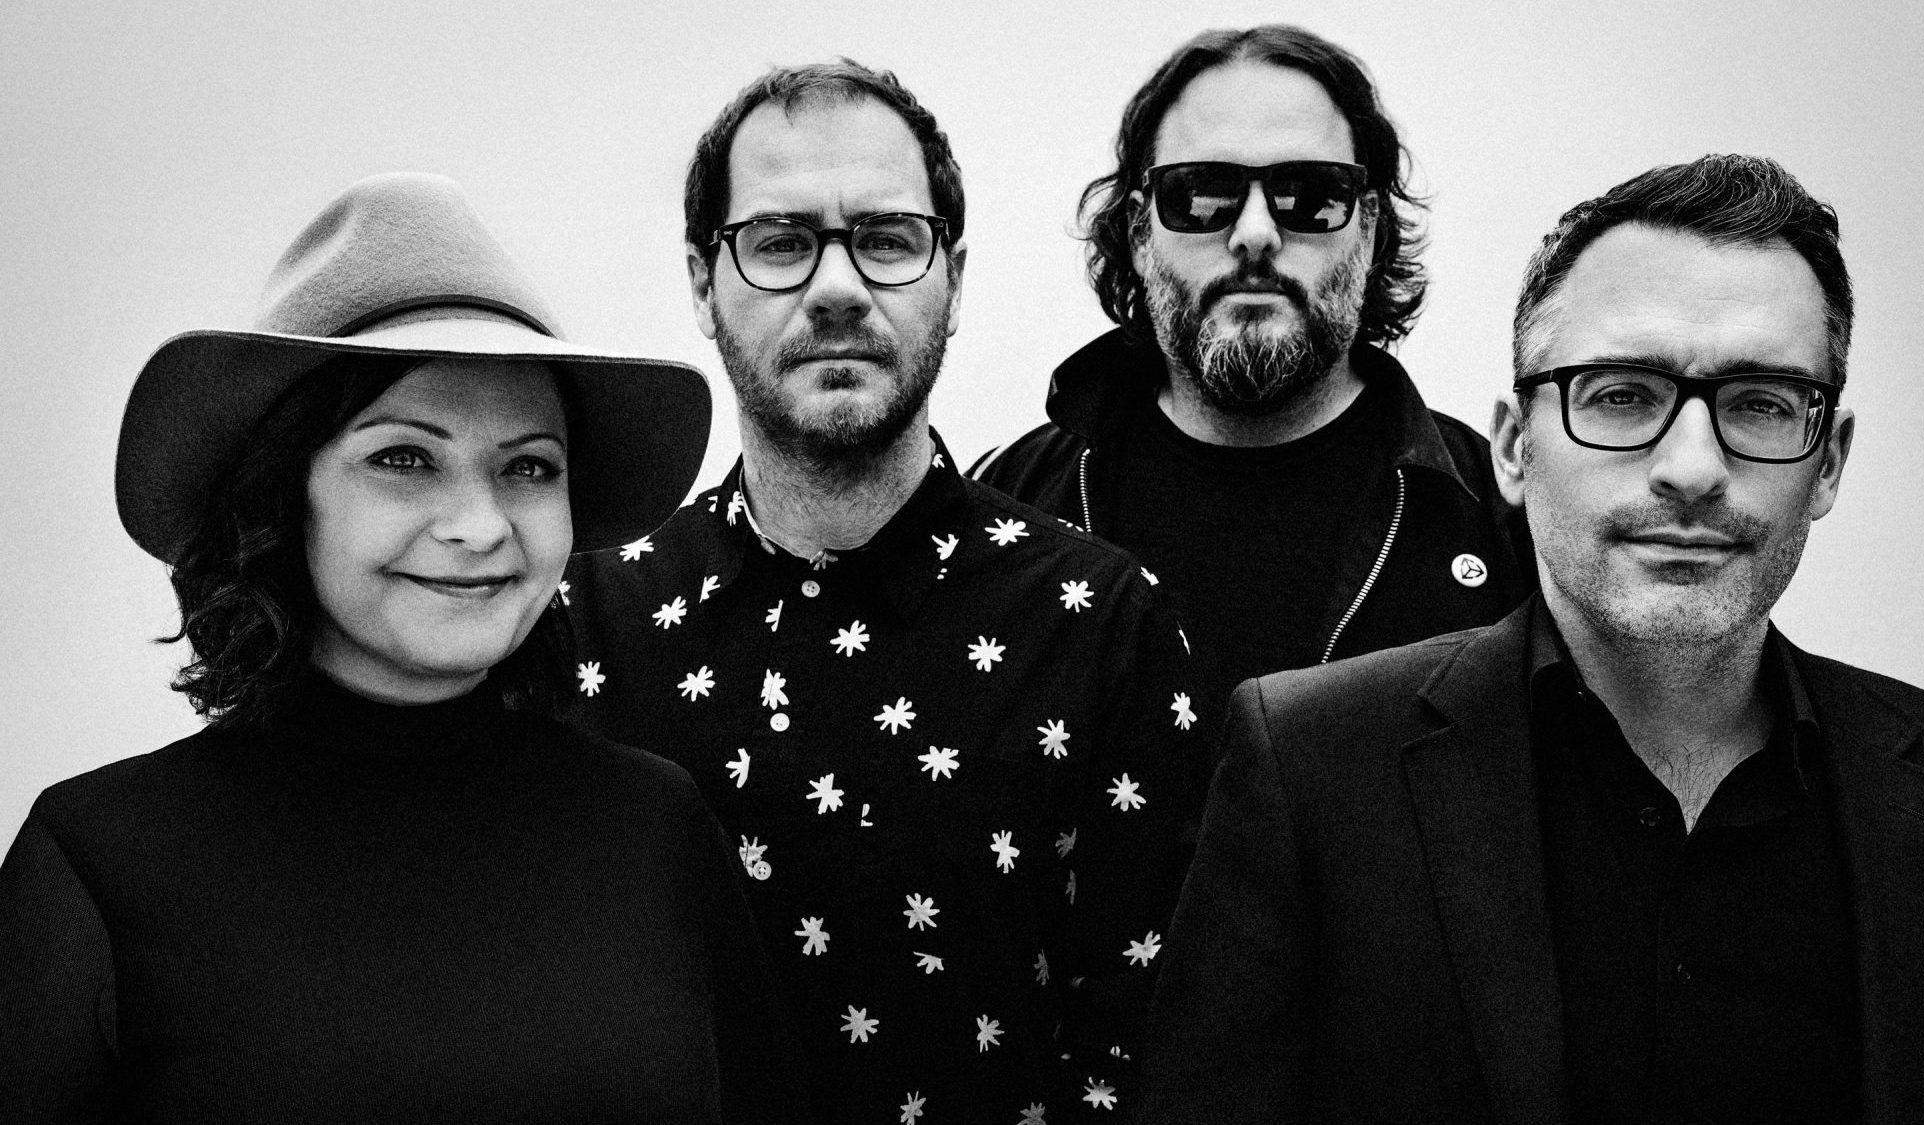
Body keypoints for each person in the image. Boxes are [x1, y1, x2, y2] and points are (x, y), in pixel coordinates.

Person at [1141, 155, 1924, 1123]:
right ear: (1513, 447)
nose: (1691, 468)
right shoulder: (1311, 768)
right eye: (1620, 394)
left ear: (1828, 460)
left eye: (1760, 402)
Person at [0, 173, 801, 1123]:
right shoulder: (97, 862)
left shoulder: (657, 829)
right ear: (279, 495)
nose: (480, 525)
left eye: (529, 466)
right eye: (404, 457)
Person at [563, 61, 1206, 1123]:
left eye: (887, 238)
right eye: (779, 242)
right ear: (701, 283)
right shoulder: (587, 626)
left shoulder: (1100, 625)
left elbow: (1151, 1047)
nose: (835, 286)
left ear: (952, 277)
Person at [974, 25, 1530, 713]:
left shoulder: (1500, 521)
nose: (1257, 233)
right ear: (1141, 234)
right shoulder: (1009, 502)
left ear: (1370, 229)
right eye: (1201, 193)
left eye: (1310, 194)